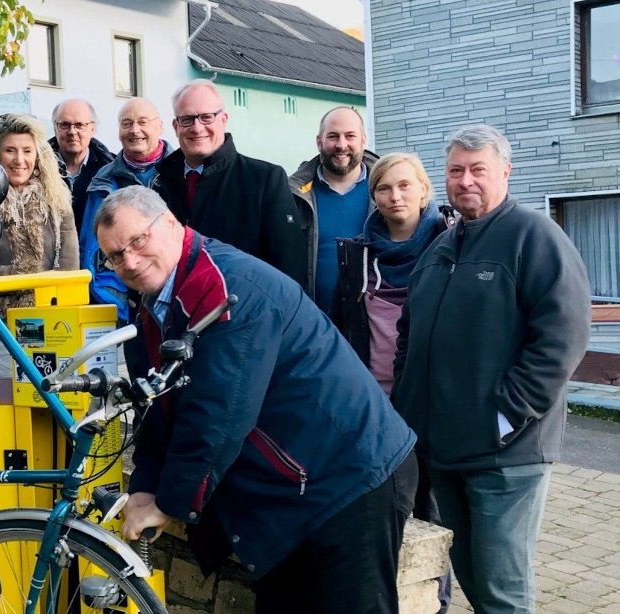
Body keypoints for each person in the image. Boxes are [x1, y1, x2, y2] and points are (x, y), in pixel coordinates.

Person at [102, 186, 417, 613]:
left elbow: (219, 414)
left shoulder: (226, 290)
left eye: (137, 241)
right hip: (295, 482)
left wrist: (168, 502)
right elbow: (160, 405)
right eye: (115, 256)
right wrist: (144, 487)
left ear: (171, 224)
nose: (130, 261)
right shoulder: (155, 304)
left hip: (347, 474)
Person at [394, 125, 591, 613]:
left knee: (503, 588)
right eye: (456, 170)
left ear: (505, 171)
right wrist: (409, 403)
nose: (466, 181)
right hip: (445, 450)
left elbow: (563, 336)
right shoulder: (442, 246)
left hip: (507, 453)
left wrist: (507, 414)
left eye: (478, 169)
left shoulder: (534, 236)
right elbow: (409, 333)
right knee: (473, 578)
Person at [330, 152, 456, 612]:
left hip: (432, 402)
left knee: (434, 512)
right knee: (388, 512)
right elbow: (345, 326)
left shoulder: (450, 245)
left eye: (405, 185)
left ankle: (436, 602)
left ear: (424, 191)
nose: (395, 195)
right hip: (376, 404)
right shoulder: (357, 252)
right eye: (384, 188)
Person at [152, 80, 306, 291]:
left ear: (223, 120)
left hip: (245, 313)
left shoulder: (265, 180)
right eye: (187, 119)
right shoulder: (160, 184)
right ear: (176, 126)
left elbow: (289, 269)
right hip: (176, 316)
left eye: (207, 117)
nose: (197, 128)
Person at [0, 113, 80, 377]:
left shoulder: (58, 202)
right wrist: (28, 278)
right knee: (7, 395)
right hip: (1, 323)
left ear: (38, 155)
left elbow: (70, 267)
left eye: (27, 151)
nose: (19, 160)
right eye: (10, 151)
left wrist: (38, 288)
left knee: (54, 397)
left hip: (54, 319)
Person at [77, 97, 171, 323]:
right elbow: (90, 247)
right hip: (123, 304)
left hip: (175, 299)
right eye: (127, 123)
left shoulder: (178, 172)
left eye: (143, 122)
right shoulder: (103, 179)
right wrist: (111, 299)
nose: (135, 130)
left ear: (160, 126)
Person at [290, 106, 378, 313]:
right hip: (313, 322)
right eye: (333, 136)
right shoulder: (293, 195)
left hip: (374, 325)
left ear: (363, 140)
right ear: (319, 141)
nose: (341, 145)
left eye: (350, 136)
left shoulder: (386, 190)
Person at [48, 98, 114, 233]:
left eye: (79, 125)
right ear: (55, 128)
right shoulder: (37, 168)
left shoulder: (111, 169)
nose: (72, 132)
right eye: (64, 125)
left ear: (92, 129)